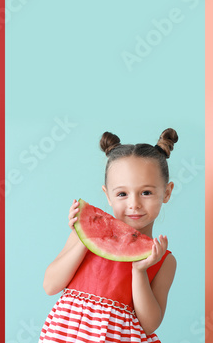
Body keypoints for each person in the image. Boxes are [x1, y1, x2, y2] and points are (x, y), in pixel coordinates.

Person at [39, 129, 179, 343]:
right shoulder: (81, 237)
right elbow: (50, 286)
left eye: (146, 192)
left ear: (167, 192)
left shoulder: (163, 260)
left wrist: (139, 271)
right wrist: (87, 237)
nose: (134, 204)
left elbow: (149, 324)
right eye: (122, 194)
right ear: (108, 195)